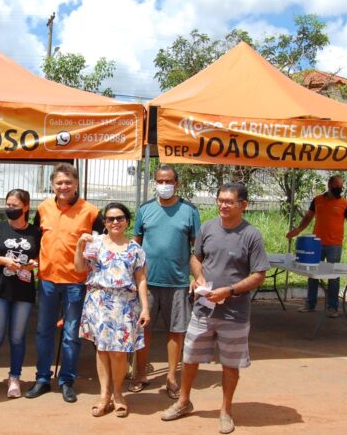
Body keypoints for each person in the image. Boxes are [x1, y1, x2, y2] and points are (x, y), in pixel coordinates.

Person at [161, 182, 269, 435]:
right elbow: (196, 257)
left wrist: (229, 291)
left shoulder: (251, 235)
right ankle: (184, 402)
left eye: (229, 201)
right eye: (220, 200)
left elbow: (259, 275)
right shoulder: (208, 228)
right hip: (203, 308)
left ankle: (225, 411)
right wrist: (198, 276)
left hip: (234, 313)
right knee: (190, 359)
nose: (223, 205)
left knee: (230, 364)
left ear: (243, 205)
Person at [26, 163, 103, 403]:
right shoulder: (43, 208)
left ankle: (67, 381)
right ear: (52, 185)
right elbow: (36, 240)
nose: (63, 187)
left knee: (71, 334)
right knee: (44, 332)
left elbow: (100, 245)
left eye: (68, 182)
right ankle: (42, 378)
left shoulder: (90, 211)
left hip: (76, 282)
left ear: (76, 184)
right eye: (59, 182)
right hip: (48, 280)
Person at [132, 164, 200, 398]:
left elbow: (197, 250)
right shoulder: (145, 210)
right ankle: (140, 373)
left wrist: (198, 277)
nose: (164, 185)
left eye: (168, 181)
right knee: (143, 330)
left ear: (176, 183)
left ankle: (172, 377)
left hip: (178, 282)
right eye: (160, 181)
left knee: (176, 331)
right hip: (146, 283)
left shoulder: (190, 211)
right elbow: (135, 245)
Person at [76, 203, 150, 417]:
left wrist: (145, 308)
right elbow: (80, 269)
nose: (115, 222)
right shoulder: (95, 243)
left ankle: (118, 394)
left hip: (125, 305)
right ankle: (104, 395)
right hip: (98, 302)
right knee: (102, 350)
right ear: (104, 223)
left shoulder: (135, 249)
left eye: (119, 218)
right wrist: (79, 247)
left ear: (127, 221)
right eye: (110, 219)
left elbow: (141, 279)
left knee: (119, 353)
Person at [0, 189, 41, 400]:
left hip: (23, 292)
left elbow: (41, 258)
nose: (10, 209)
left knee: (17, 337)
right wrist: (4, 261)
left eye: (14, 206)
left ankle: (14, 377)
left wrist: (33, 264)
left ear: (26, 207)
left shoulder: (35, 232)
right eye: (8, 205)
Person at [286, 175, 347, 317]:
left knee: (333, 276)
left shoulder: (345, 203)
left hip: (334, 245)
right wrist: (298, 230)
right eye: (337, 185)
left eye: (341, 186)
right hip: (316, 244)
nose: (339, 188)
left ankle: (333, 307)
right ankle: (310, 303)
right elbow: (308, 218)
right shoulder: (317, 200)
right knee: (312, 274)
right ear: (329, 185)